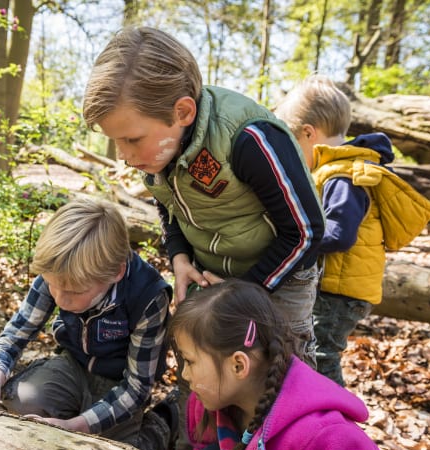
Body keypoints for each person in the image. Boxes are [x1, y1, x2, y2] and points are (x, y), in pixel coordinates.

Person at [82, 26, 325, 367]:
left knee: (278, 366)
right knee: (202, 364)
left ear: (182, 112)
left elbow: (306, 231)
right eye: (117, 142)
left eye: (132, 140)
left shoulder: (247, 139)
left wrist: (244, 293)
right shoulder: (157, 150)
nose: (123, 154)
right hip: (210, 273)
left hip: (280, 275)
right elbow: (170, 207)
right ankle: (195, 421)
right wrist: (179, 257)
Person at [0, 198, 176, 450]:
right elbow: (16, 334)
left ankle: (165, 418)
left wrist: (76, 426)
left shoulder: (148, 296)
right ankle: (70, 404)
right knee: (22, 401)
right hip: (75, 365)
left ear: (115, 273)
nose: (60, 299)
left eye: (74, 292)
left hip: (120, 382)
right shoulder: (59, 270)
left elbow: (136, 387)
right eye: (53, 286)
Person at [273, 75, 430, 385]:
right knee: (310, 350)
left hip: (341, 292)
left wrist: (298, 236)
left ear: (309, 134)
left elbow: (340, 235)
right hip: (337, 285)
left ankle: (337, 422)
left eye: (292, 144)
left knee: (322, 354)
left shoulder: (343, 176)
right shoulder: (337, 168)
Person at [170, 278, 394, 450]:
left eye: (189, 362)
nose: (184, 375)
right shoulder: (212, 404)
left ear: (238, 365)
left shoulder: (324, 440)